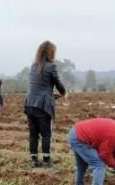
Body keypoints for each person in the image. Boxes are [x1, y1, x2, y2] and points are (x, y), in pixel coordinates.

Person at [24, 40, 67, 168]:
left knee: (33, 133)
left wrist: (50, 94)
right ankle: (47, 161)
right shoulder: (51, 66)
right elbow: (58, 84)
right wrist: (64, 93)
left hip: (30, 103)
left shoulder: (34, 66)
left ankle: (33, 160)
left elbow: (39, 86)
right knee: (46, 134)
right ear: (51, 52)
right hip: (43, 106)